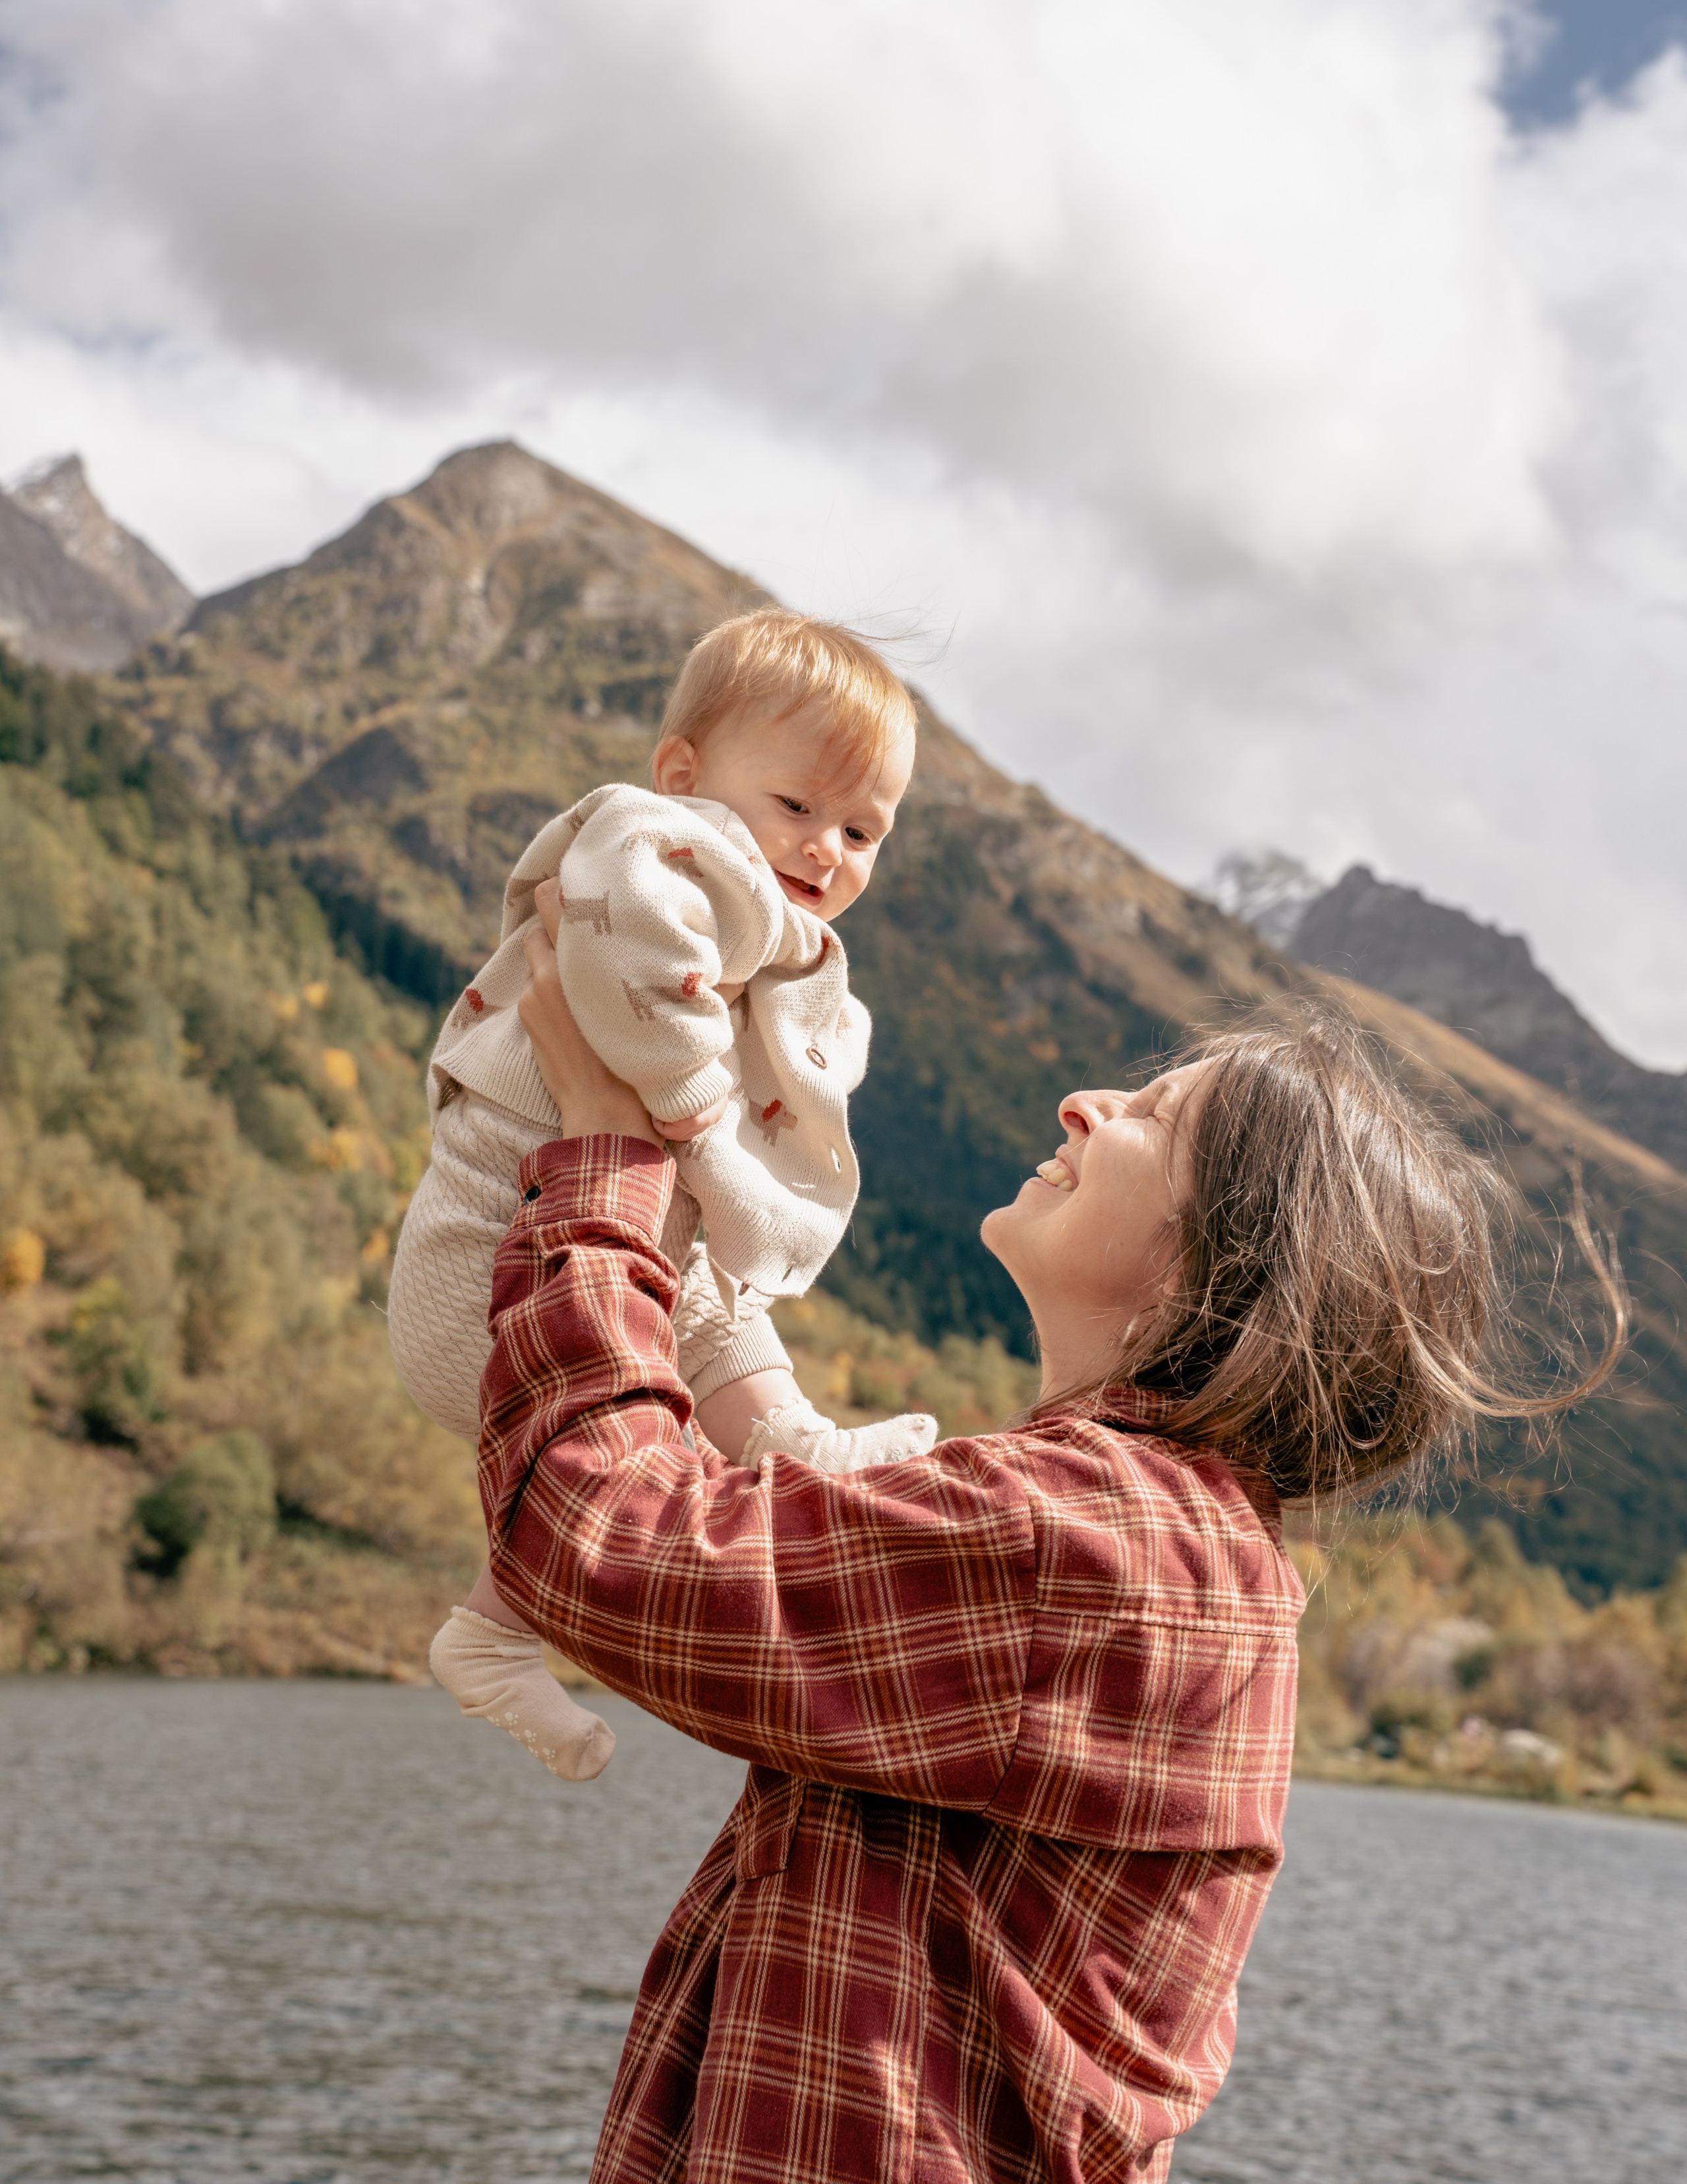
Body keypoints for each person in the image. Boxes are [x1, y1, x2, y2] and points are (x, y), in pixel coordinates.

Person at [476, 925, 1611, 2183]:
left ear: (1228, 1254)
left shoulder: (1085, 1544)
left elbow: (596, 1535)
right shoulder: (1168, 1541)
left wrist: (602, 1153)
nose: (1084, 1102)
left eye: (1155, 1116)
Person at [387, 609, 936, 1781]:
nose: (828, 848)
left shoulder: (764, 931)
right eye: (798, 807)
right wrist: (695, 1102)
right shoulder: (654, 845)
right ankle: (791, 1452)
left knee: (705, 1319)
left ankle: (499, 1625)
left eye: (862, 829)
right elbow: (630, 941)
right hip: (492, 1263)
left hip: (571, 1281)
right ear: (686, 774)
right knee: (694, 1333)